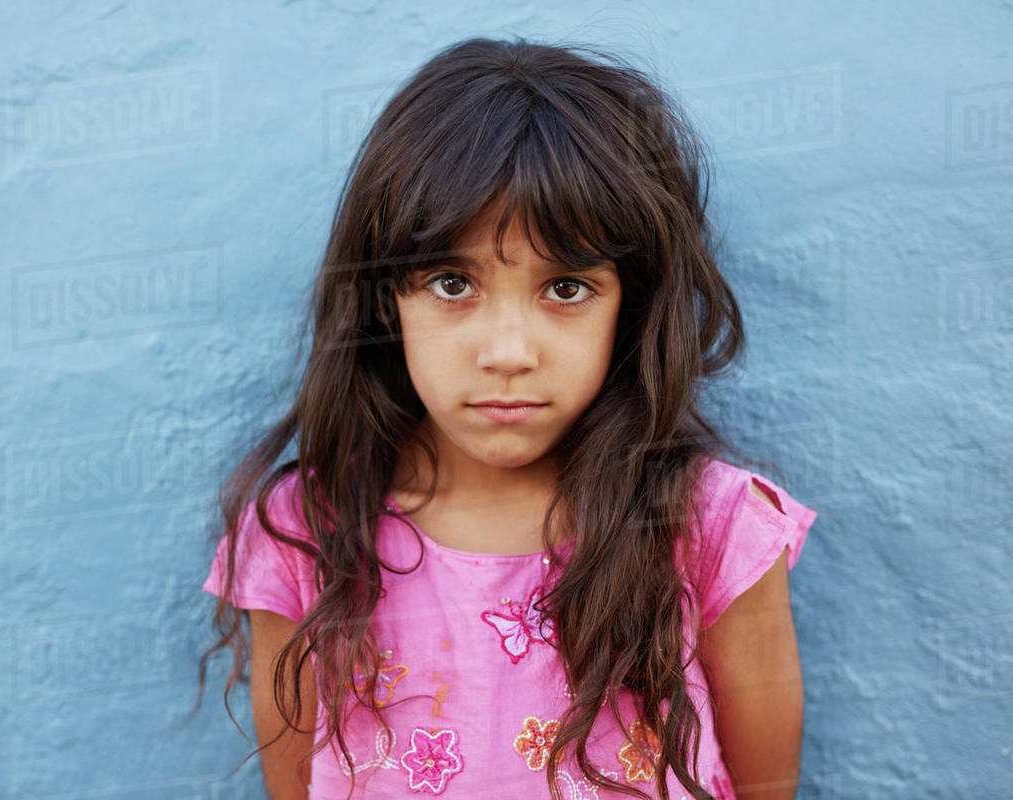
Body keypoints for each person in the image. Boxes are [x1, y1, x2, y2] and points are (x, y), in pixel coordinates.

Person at [192, 36, 820, 800]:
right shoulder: (305, 535)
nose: (508, 351)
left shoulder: (711, 530)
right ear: (387, 295)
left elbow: (766, 787)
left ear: (633, 304)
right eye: (453, 282)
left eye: (566, 289)